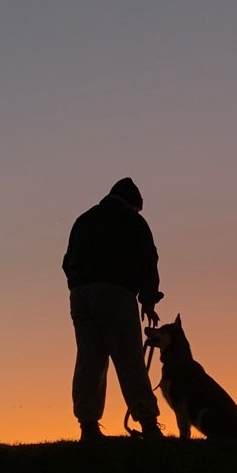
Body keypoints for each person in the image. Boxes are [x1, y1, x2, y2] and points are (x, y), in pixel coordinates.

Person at [62, 177, 164, 441]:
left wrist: (79, 286)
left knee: (89, 360)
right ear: (133, 204)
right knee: (129, 358)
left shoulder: (84, 220)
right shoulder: (133, 222)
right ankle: (148, 423)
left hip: (80, 295)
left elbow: (67, 261)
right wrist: (149, 299)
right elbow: (147, 260)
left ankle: (88, 425)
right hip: (115, 293)